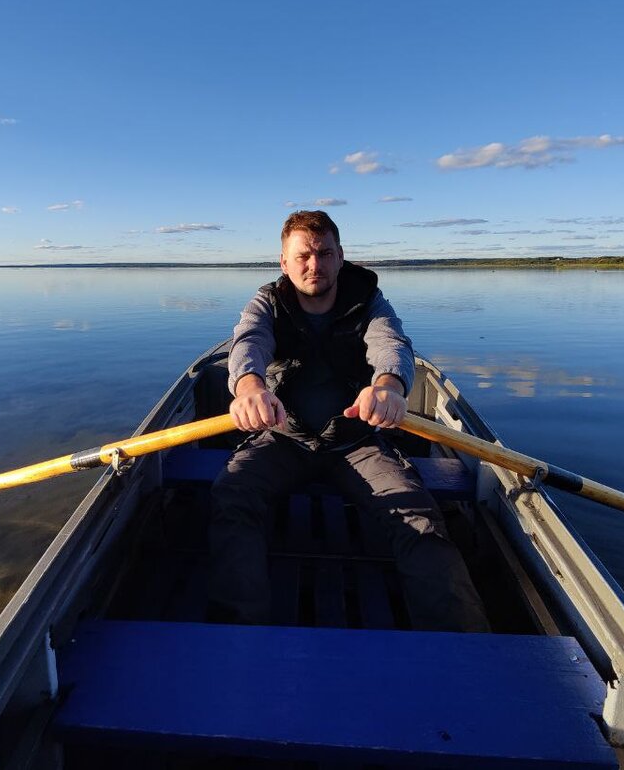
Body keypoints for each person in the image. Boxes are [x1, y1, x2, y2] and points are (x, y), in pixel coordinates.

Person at [207, 210, 489, 632]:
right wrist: (248, 388)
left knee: (419, 518)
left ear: (341, 257)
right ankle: (237, 636)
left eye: (324, 254)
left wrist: (390, 386)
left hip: (354, 443)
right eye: (302, 255)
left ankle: (463, 648)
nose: (314, 265)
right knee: (230, 498)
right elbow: (249, 341)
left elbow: (389, 343)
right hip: (283, 438)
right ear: (284, 263)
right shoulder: (267, 301)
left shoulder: (369, 300)